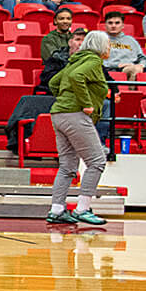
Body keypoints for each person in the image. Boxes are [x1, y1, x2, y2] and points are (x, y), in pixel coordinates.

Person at [45, 32, 110, 227]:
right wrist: (85, 103)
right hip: (75, 115)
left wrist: (65, 99)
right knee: (97, 161)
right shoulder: (93, 61)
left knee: (67, 166)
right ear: (100, 46)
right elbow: (77, 77)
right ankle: (82, 209)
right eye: (108, 45)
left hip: (59, 114)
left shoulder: (75, 60)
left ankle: (57, 210)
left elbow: (53, 83)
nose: (109, 49)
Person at [39, 5, 79, 90]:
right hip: (55, 73)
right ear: (55, 21)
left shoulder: (75, 37)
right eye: (61, 19)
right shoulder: (48, 39)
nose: (65, 21)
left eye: (68, 19)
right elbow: (54, 58)